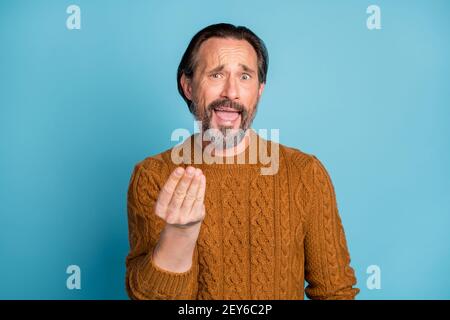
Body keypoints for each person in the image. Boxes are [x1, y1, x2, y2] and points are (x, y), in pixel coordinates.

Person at [125, 23, 359, 300]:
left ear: (259, 89)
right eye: (216, 75)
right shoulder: (154, 176)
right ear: (188, 86)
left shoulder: (305, 173)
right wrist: (180, 233)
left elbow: (336, 292)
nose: (231, 92)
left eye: (245, 77)